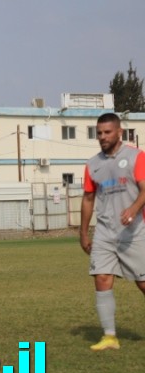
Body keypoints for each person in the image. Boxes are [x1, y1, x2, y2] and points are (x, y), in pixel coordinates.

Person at [80, 112, 145, 351]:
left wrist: (133, 208)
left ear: (119, 132)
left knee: (143, 282)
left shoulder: (136, 157)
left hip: (135, 231)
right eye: (99, 133)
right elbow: (88, 198)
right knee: (102, 278)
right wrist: (84, 233)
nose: (102, 137)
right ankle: (109, 336)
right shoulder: (92, 164)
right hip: (105, 232)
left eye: (107, 132)